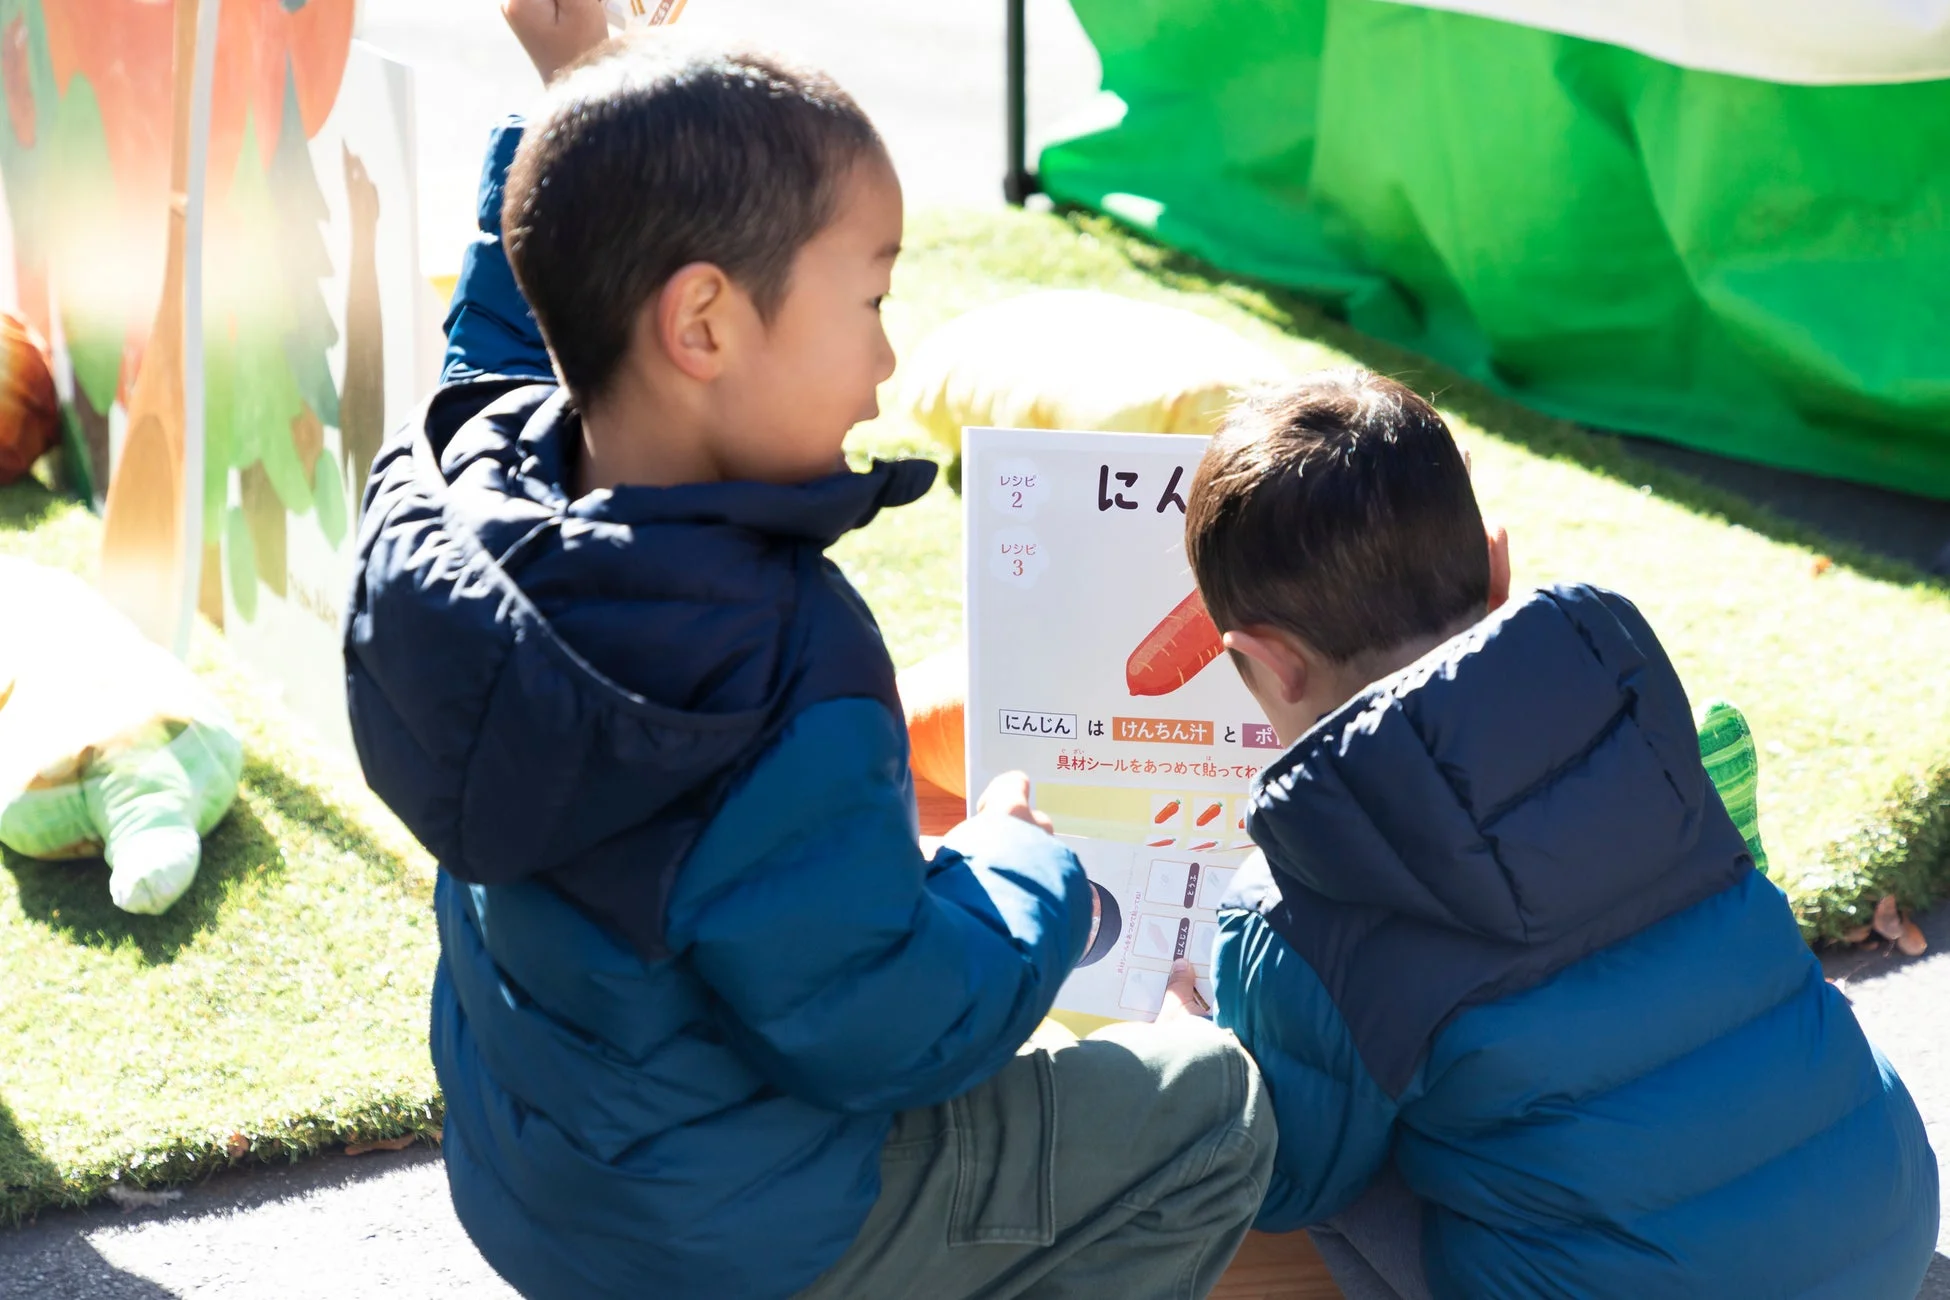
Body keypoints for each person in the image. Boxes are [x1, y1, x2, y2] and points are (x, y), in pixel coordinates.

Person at [341, 6, 1273, 1299]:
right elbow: (888, 1027)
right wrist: (1026, 865)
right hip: (741, 1237)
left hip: (533, 1180)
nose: (886, 364)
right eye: (871, 300)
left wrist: (563, 93)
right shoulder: (769, 673)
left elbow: (500, 341)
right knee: (1208, 1107)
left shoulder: (455, 504)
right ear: (705, 326)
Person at [1184, 369, 1939, 1299]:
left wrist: (1222, 1023)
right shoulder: (1634, 713)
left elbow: (1292, 1178)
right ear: (1498, 567)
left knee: (1335, 1146)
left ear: (1265, 661)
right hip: (1883, 1226)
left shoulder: (1291, 906)